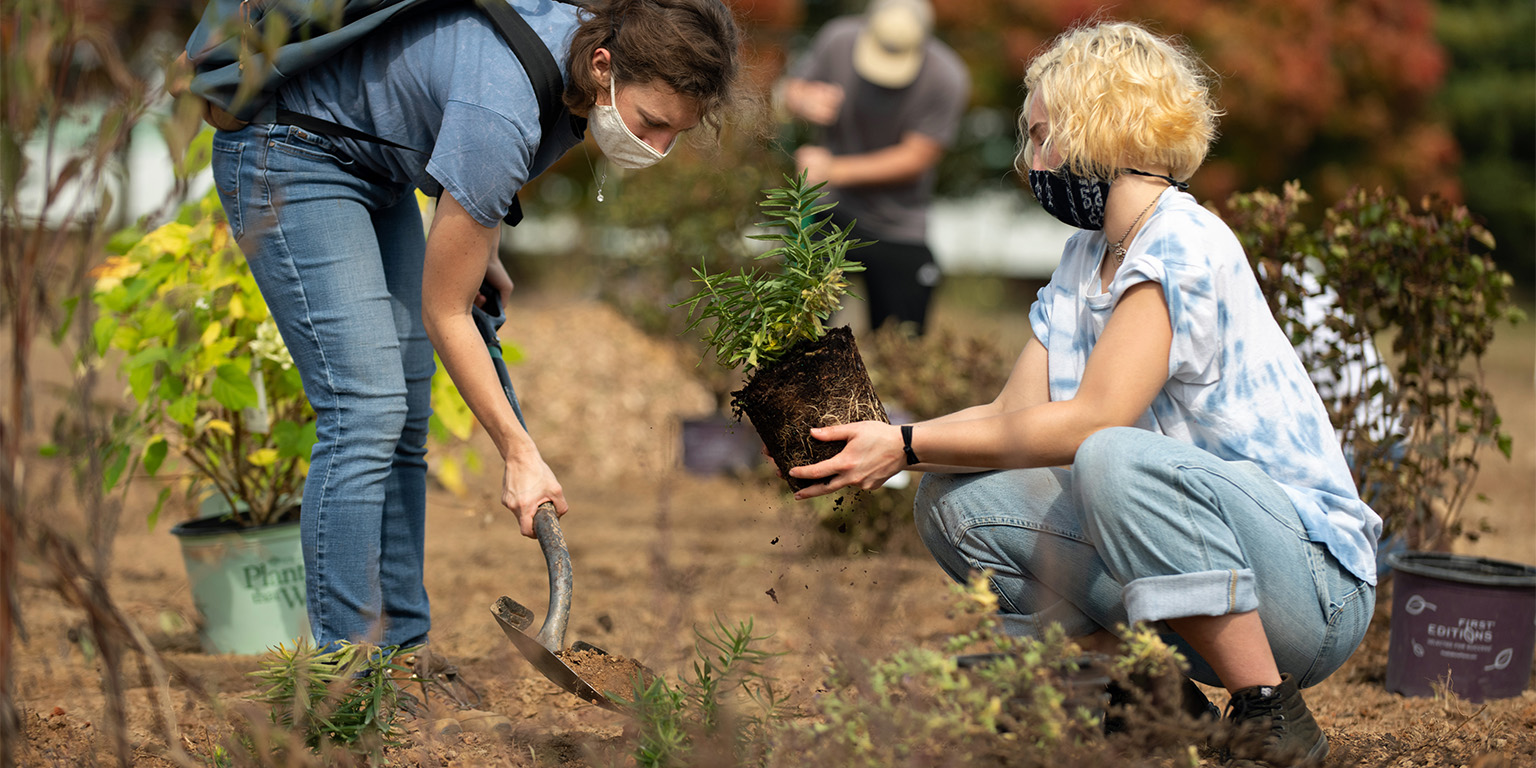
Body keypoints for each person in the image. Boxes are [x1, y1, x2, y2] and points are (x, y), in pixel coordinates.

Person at [787, 21, 1380, 766]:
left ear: (1098, 126)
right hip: (1197, 565)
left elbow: (1094, 422)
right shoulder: (1083, 258)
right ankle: (1152, 694)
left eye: (1041, 136)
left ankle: (1269, 712)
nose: (1030, 162)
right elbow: (1010, 415)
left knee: (1108, 455)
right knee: (955, 499)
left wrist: (904, 443)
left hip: (1310, 589)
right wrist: (881, 439)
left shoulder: (1183, 243)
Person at [207, 0, 741, 660]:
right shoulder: (507, 106)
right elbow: (446, 311)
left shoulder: (571, 53)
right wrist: (520, 453)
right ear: (603, 67)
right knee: (365, 407)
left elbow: (445, 104)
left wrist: (478, 242)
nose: (656, 148)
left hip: (376, 170)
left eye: (674, 135)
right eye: (651, 123)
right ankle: (347, 674)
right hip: (291, 150)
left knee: (404, 413)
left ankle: (404, 653)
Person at [778, 0, 969, 336]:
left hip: (899, 224)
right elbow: (786, 92)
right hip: (828, 211)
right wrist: (801, 99)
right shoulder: (837, 40)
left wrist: (833, 169)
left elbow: (917, 156)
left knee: (902, 343)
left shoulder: (947, 76)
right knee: (792, 331)